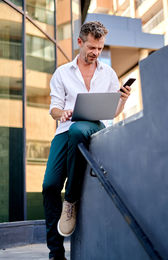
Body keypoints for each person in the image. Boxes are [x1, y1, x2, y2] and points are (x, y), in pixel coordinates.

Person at [42, 21, 131, 260]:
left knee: (80, 130)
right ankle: (56, 252)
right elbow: (54, 108)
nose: (95, 52)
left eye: (100, 48)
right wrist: (62, 114)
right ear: (80, 42)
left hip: (93, 127)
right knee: (49, 186)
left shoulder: (108, 74)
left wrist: (122, 99)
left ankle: (70, 199)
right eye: (92, 47)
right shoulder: (62, 73)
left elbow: (112, 112)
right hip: (65, 130)